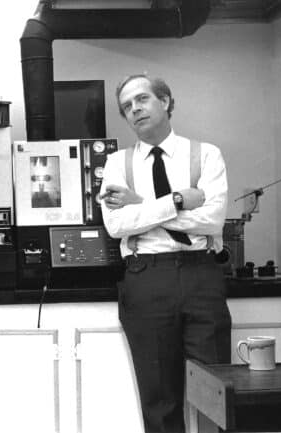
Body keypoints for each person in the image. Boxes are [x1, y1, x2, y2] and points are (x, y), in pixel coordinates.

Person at [100, 74, 232, 433]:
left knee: (216, 395)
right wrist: (176, 200)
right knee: (159, 401)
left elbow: (211, 219)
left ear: (166, 101)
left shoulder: (206, 155)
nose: (134, 110)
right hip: (146, 280)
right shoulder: (116, 164)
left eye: (142, 99)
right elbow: (116, 226)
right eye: (127, 106)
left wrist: (141, 206)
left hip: (201, 277)